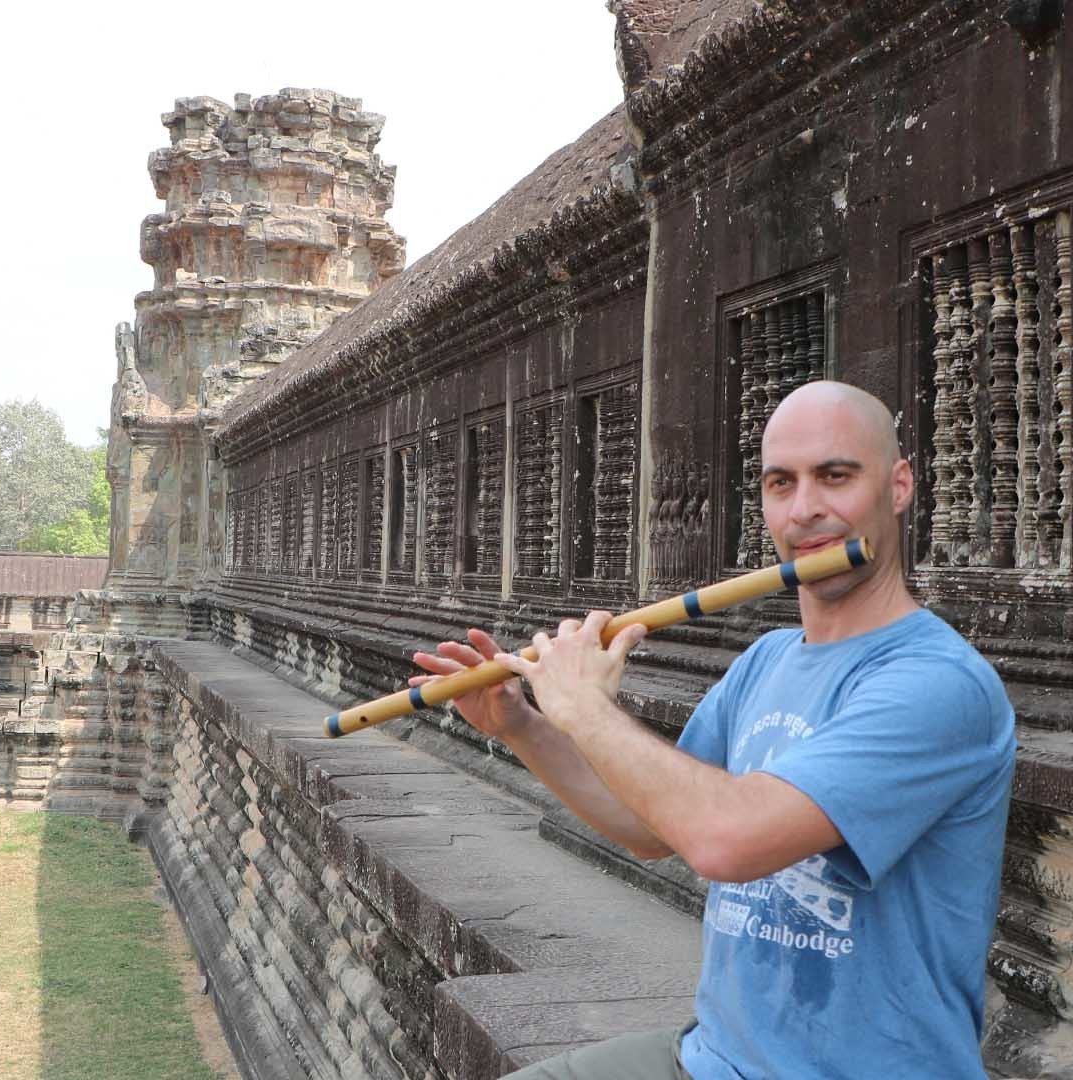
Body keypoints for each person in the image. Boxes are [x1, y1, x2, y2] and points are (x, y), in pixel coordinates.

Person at [411, 381, 1016, 1080]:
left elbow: (725, 840)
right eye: (780, 483)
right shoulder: (767, 660)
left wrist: (584, 708)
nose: (806, 509)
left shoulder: (937, 684)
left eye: (836, 476)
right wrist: (519, 722)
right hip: (714, 1058)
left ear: (899, 484)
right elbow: (650, 827)